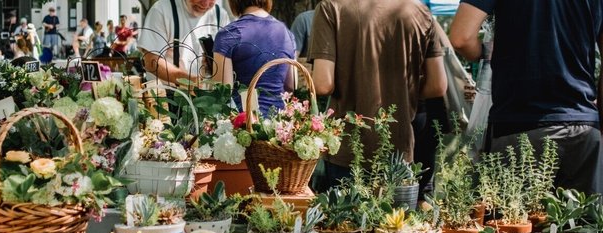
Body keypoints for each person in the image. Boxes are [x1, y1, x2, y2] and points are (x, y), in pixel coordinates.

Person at [450, 0, 603, 194]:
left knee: (515, 221)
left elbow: (461, 37)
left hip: (519, 125)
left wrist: (488, 53)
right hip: (584, 128)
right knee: (582, 222)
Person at [309, 0, 447, 182]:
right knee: (395, 211)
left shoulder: (331, 7)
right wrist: (403, 92)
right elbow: (438, 85)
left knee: (341, 210)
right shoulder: (420, 12)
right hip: (399, 147)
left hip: (347, 149)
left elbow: (323, 84)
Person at [213, 0, 295, 115]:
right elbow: (290, 85)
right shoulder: (287, 33)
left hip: (244, 123)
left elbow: (223, 94)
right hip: (280, 122)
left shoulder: (229, 34)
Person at [139, 0, 229, 85]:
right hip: (167, 95)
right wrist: (190, 81)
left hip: (207, 95)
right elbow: (151, 61)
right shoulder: (161, 10)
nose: (205, 4)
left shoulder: (220, 15)